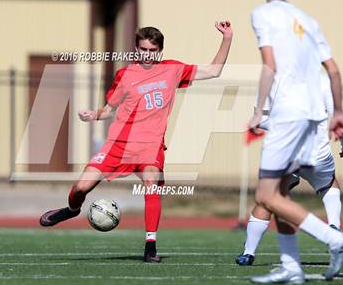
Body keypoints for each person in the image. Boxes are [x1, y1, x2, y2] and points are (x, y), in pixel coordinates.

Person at [39, 23, 233, 263]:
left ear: (160, 51)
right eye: (143, 50)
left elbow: (214, 70)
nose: (147, 55)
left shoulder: (173, 69)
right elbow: (111, 109)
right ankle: (71, 210)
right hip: (118, 144)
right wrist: (95, 114)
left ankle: (150, 245)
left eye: (153, 50)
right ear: (136, 49)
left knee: (151, 184)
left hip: (150, 145)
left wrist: (227, 38)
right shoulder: (125, 74)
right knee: (81, 187)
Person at [247, 0, 343, 282]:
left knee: (266, 195)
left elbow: (269, 65)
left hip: (288, 115)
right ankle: (292, 266)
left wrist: (257, 112)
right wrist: (339, 113)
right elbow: (333, 70)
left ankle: (337, 240)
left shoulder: (262, 14)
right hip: (313, 116)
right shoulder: (308, 19)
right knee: (279, 190)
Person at [236, 73, 343, 266]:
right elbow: (341, 121)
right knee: (329, 183)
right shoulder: (322, 79)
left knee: (268, 200)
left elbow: (259, 122)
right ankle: (334, 228)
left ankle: (249, 253)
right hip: (317, 152)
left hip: (286, 152)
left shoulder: (271, 79)